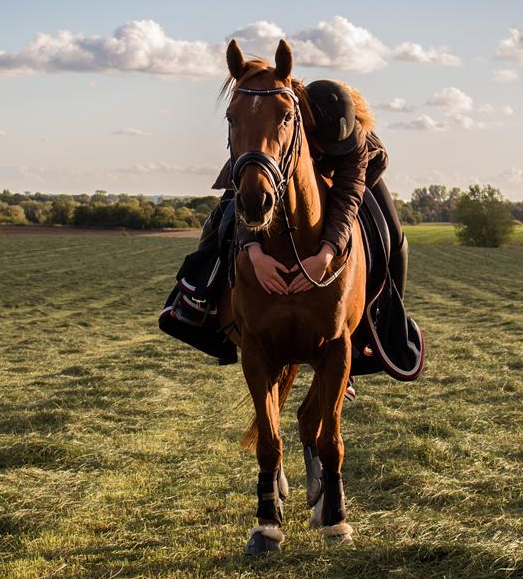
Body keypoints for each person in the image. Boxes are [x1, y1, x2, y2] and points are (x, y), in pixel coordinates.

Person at [160, 79, 409, 379]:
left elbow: (347, 197)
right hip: (283, 165)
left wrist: (327, 253)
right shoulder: (287, 113)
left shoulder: (356, 140)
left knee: (394, 238)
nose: (323, 152)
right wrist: (252, 249)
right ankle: (199, 297)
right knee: (219, 220)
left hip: (355, 177)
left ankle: (385, 324)